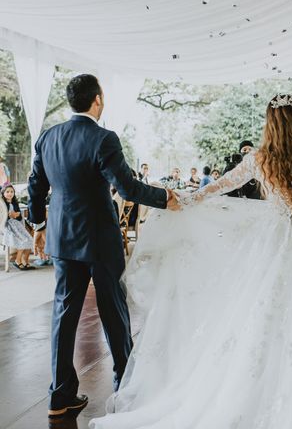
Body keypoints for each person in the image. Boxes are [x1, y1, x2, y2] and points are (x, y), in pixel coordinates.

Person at [89, 65, 292, 429]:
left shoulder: (259, 159)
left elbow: (218, 186)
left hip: (274, 242)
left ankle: (261, 385)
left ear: (269, 124)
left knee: (264, 311)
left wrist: (182, 200)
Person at [27, 74, 180, 421]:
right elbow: (126, 188)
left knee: (64, 316)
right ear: (97, 100)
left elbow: (36, 187)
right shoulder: (103, 138)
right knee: (114, 313)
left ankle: (60, 395)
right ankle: (125, 388)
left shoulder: (48, 137)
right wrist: (163, 198)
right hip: (99, 240)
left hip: (63, 240)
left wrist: (38, 224)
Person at [1, 184, 33, 270]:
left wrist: (15, 215)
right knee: (23, 240)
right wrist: (11, 215)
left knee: (30, 239)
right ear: (3, 193)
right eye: (7, 192)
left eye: (12, 192)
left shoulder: (15, 203)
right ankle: (17, 260)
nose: (10, 193)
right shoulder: (2, 204)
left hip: (17, 224)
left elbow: (19, 216)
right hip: (8, 226)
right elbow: (3, 217)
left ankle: (25, 261)